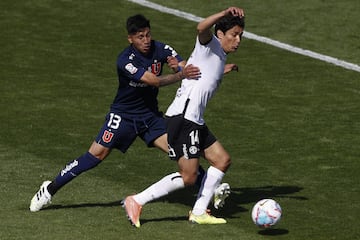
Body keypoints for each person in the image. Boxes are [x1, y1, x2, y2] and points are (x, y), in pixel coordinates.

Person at [29, 14, 204, 212]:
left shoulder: (161, 48)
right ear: (130, 39)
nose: (146, 41)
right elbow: (153, 81)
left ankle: (208, 190)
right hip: (124, 116)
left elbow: (186, 66)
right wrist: (180, 74)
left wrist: (180, 66)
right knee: (95, 156)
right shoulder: (125, 60)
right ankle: (49, 189)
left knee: (180, 149)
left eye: (147, 35)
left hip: (150, 117)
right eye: (140, 37)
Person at [123, 7, 245, 227]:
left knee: (222, 160)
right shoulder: (210, 44)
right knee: (188, 176)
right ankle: (136, 200)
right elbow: (200, 27)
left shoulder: (218, 55)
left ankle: (199, 212)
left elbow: (205, 71)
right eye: (233, 34)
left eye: (240, 36)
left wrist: (222, 69)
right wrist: (224, 13)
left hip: (193, 119)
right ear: (220, 34)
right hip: (183, 118)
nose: (238, 40)